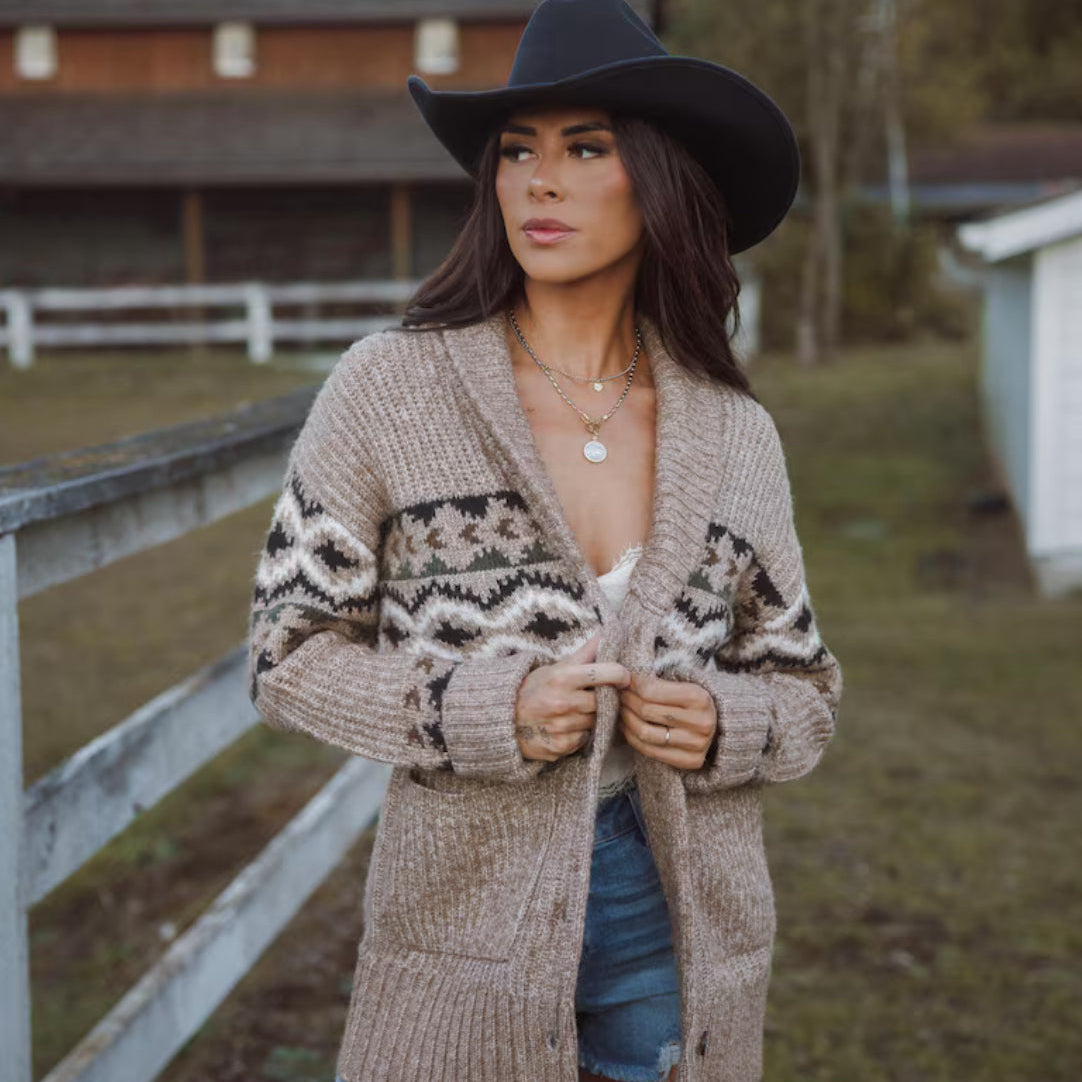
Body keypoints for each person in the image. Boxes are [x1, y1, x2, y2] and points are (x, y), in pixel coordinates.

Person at [246, 2, 843, 1080]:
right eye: (515, 151)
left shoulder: (734, 432)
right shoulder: (391, 388)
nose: (537, 181)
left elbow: (804, 688)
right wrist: (478, 708)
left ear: (661, 178)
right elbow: (286, 653)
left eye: (584, 147)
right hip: (461, 914)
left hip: (676, 914)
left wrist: (722, 722)